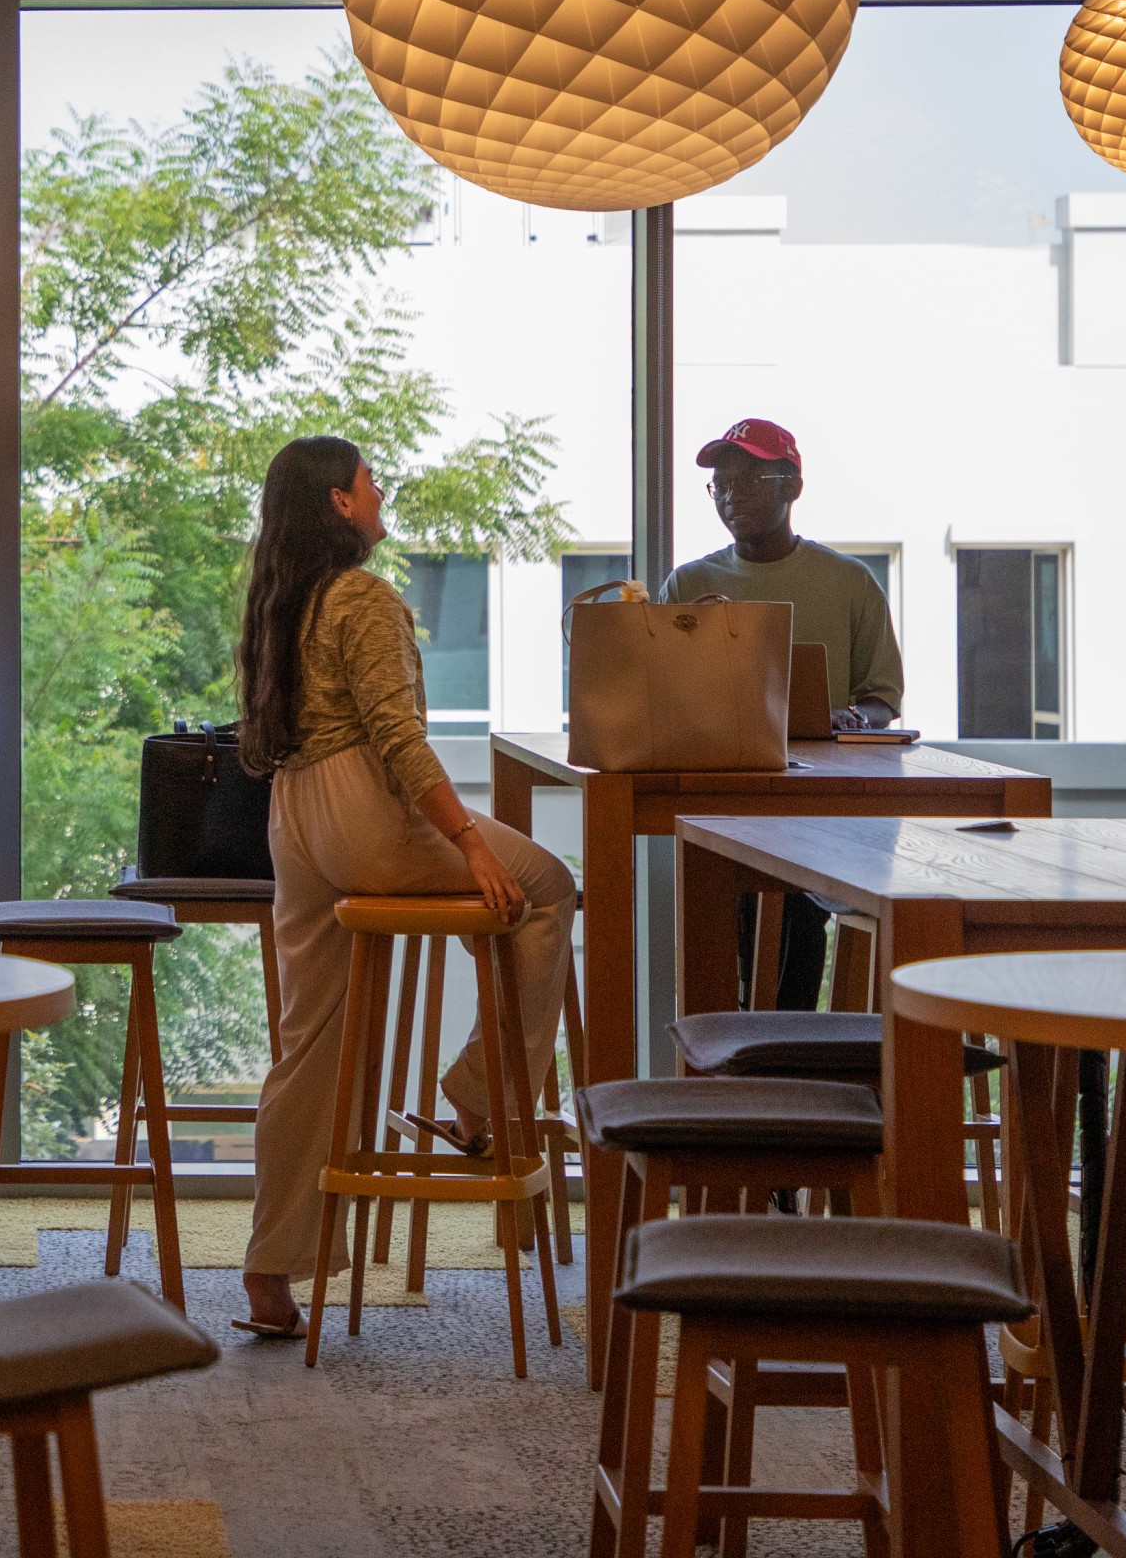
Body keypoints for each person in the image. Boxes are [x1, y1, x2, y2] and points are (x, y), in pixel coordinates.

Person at [236, 435, 575, 1339]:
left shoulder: (286, 599)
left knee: (307, 1040)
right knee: (546, 883)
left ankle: (270, 1272)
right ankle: (483, 1098)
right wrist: (471, 844)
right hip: (360, 809)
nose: (380, 491)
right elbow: (397, 736)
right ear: (342, 504)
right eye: (368, 480)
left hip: (296, 819)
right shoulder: (364, 597)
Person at [656, 416, 905, 1011]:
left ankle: (779, 1049)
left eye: (748, 479)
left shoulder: (849, 583)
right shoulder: (689, 584)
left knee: (795, 897)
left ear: (791, 485)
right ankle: (745, 1050)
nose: (731, 496)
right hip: (723, 805)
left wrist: (855, 718)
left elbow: (883, 699)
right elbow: (662, 696)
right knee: (736, 892)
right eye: (720, 484)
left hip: (822, 813)